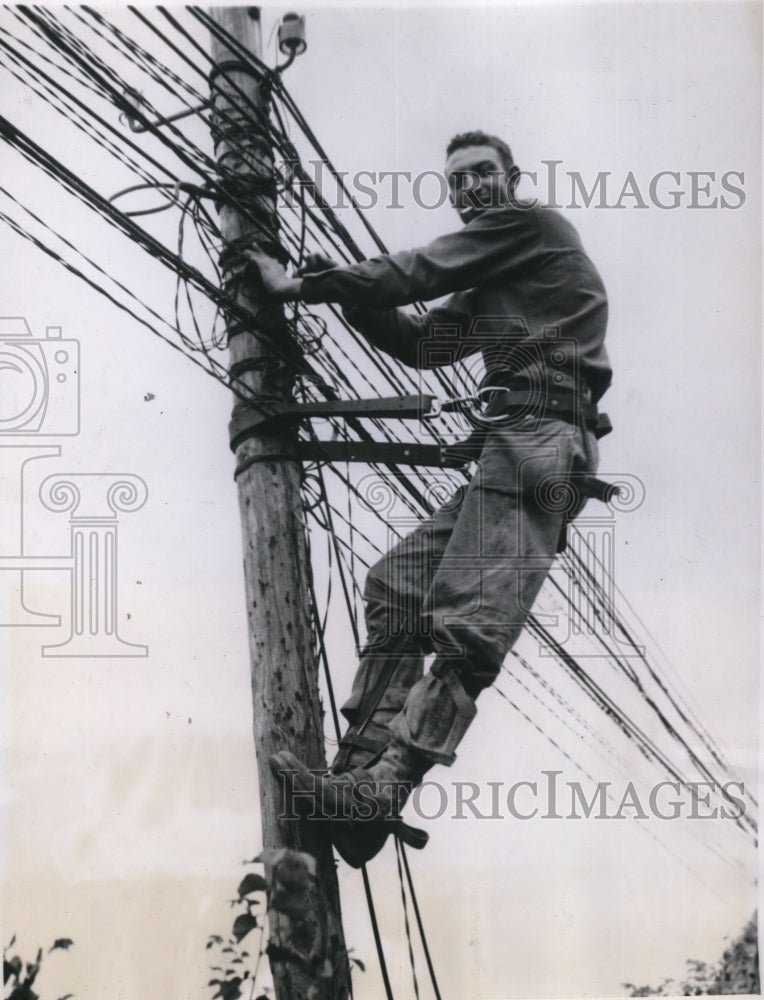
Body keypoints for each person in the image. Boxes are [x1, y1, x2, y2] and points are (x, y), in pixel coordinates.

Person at [245, 130, 612, 867]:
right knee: (398, 586)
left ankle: (382, 788)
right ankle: (356, 782)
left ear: (513, 179)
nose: (470, 188)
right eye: (457, 181)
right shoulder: (496, 275)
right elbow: (425, 345)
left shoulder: (530, 227)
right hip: (513, 441)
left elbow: (417, 270)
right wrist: (339, 290)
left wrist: (304, 288)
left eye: (482, 174)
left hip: (543, 438)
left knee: (468, 627)